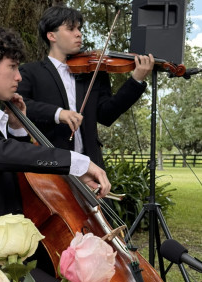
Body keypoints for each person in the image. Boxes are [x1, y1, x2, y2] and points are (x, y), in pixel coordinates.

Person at [0, 24, 110, 282]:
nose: (19, 77)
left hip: (14, 249)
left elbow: (13, 169)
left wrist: (19, 129)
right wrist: (76, 161)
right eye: (13, 67)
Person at [17, 5, 155, 168]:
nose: (79, 33)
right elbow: (19, 106)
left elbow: (106, 115)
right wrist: (58, 113)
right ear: (51, 35)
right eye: (71, 29)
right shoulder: (29, 72)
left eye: (79, 28)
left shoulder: (94, 71)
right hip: (50, 165)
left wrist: (136, 80)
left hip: (90, 165)